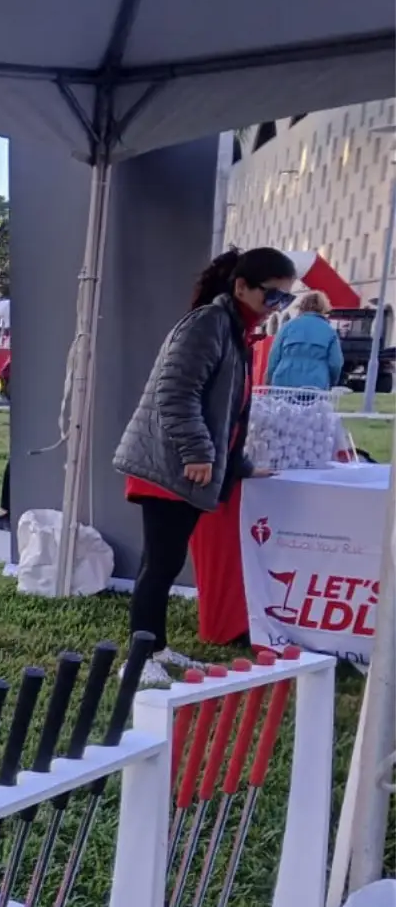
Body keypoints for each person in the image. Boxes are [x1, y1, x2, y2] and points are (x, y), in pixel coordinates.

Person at [112, 246, 296, 674]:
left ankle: (156, 649)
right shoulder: (210, 324)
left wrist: (239, 466)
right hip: (169, 466)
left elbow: (229, 413)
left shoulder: (235, 329)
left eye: (286, 299)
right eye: (272, 295)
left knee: (164, 562)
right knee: (160, 565)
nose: (277, 306)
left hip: (185, 466)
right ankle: (139, 660)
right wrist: (197, 452)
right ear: (242, 287)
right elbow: (176, 393)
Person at [265, 289, 345, 390]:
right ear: (323, 308)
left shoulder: (287, 327)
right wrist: (332, 381)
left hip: (284, 383)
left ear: (301, 306)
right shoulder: (329, 331)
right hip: (316, 385)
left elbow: (274, 358)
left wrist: (268, 380)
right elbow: (336, 363)